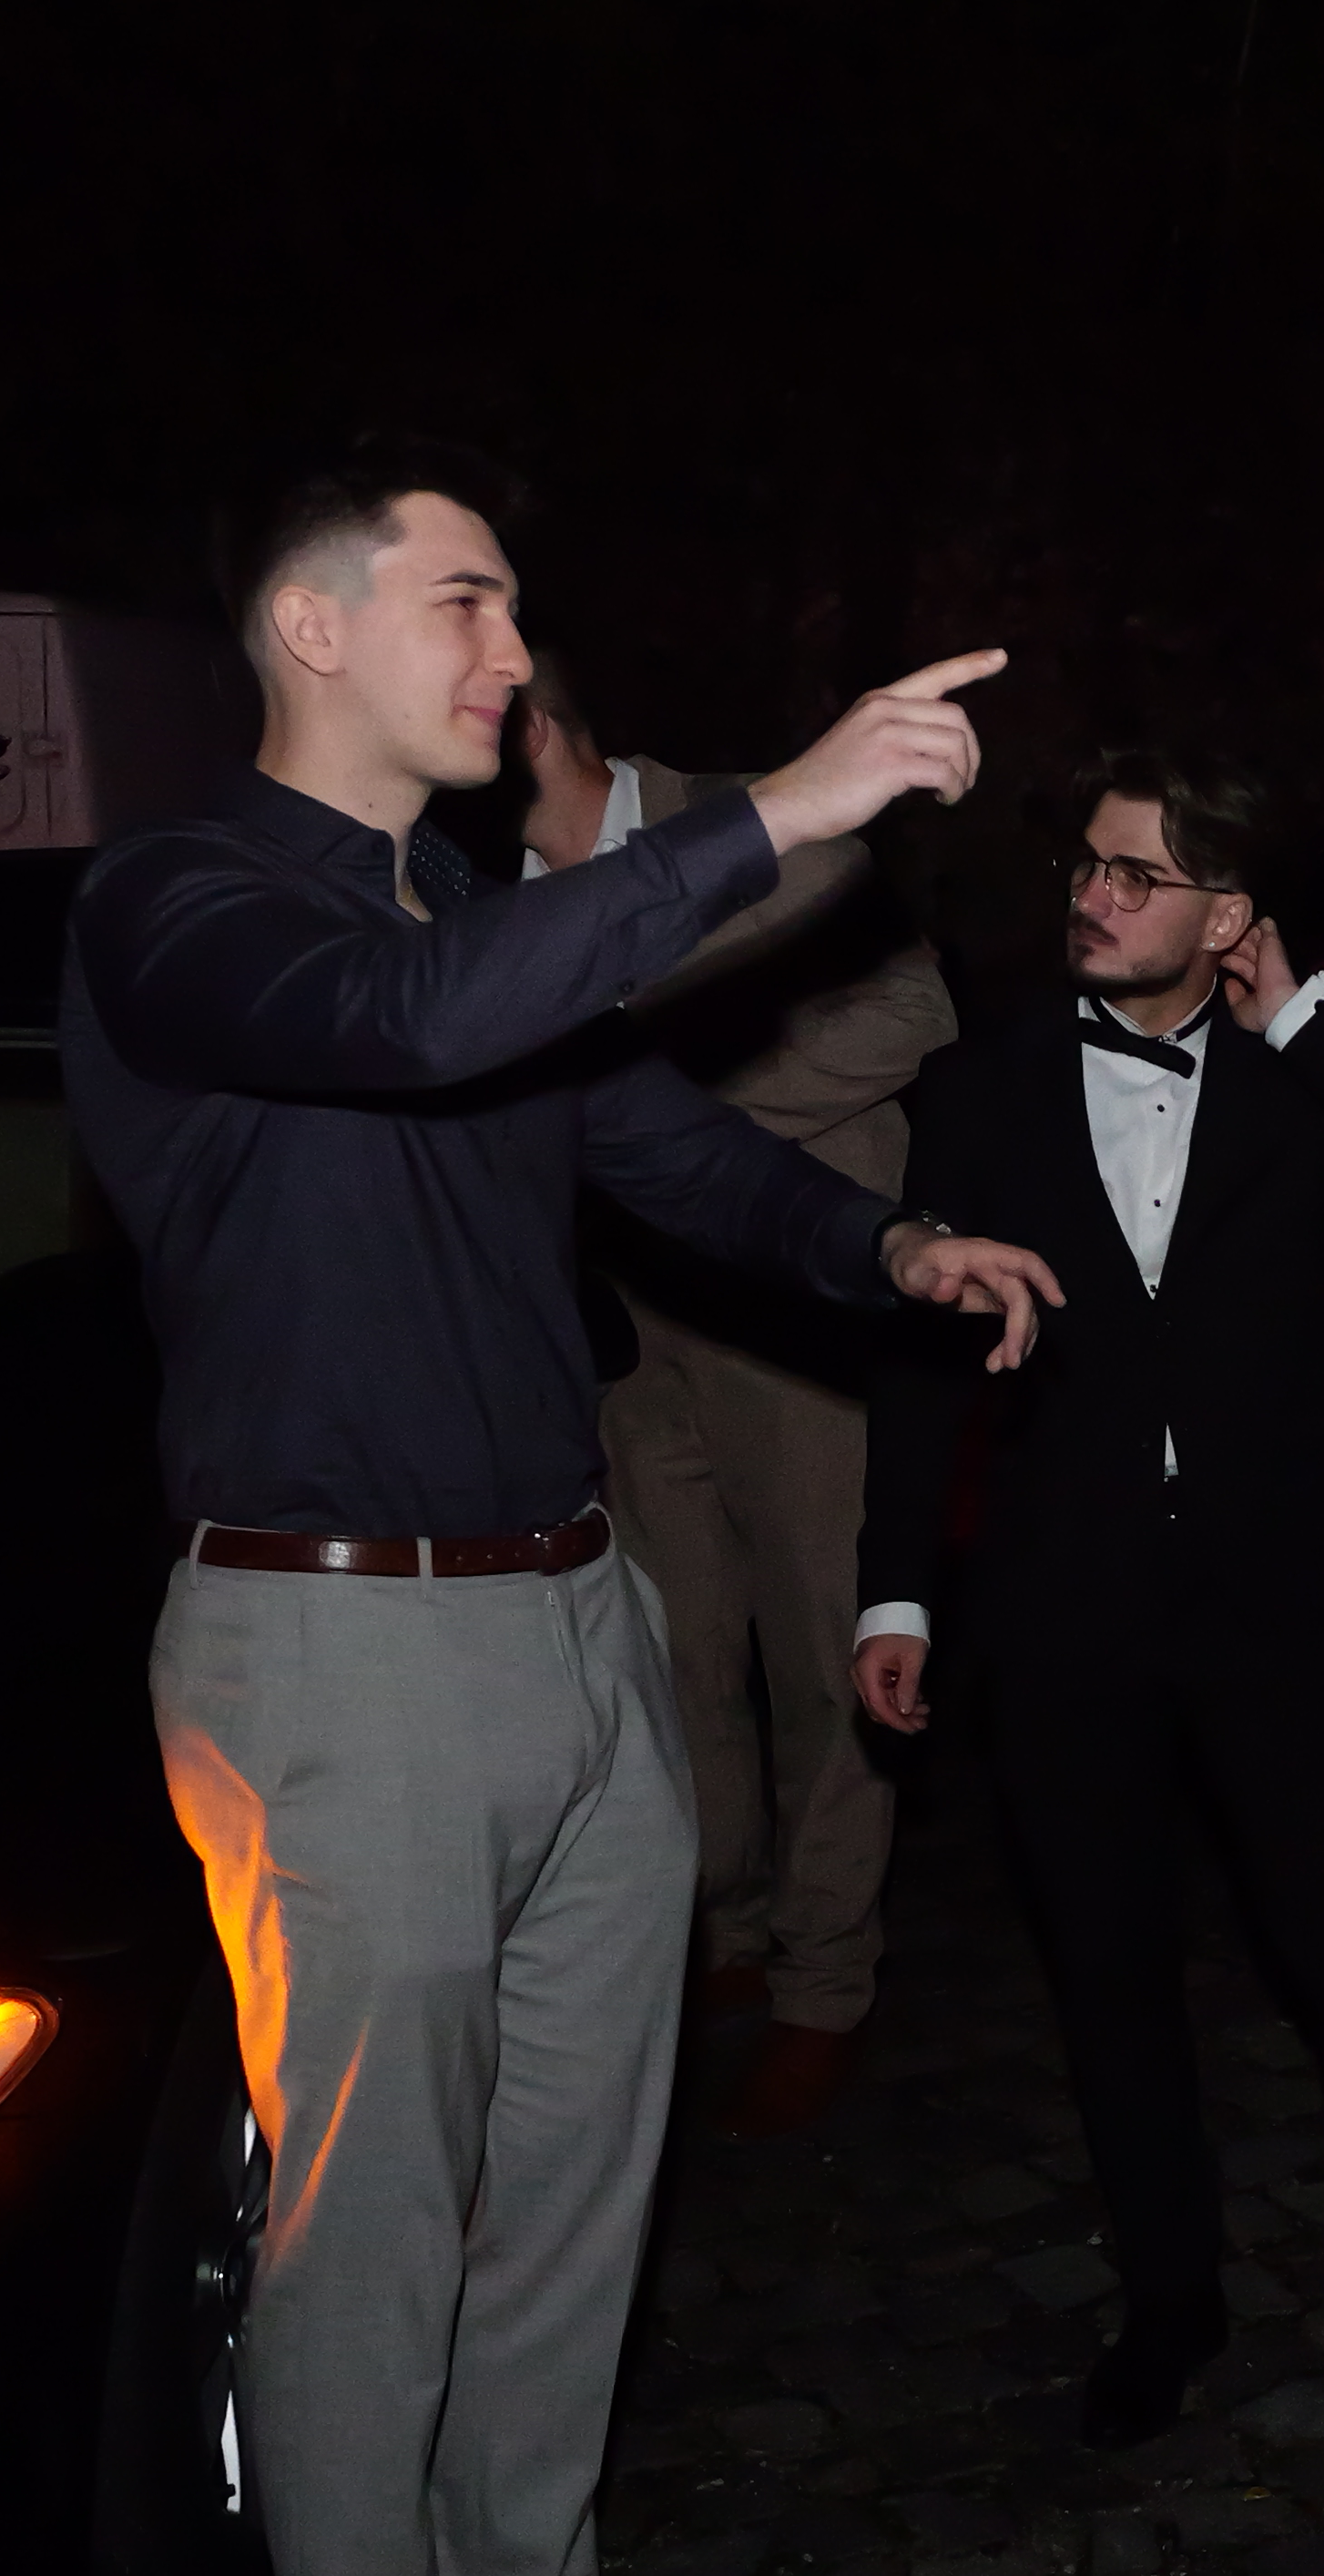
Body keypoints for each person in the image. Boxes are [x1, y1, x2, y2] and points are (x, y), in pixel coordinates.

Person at [65, 441, 1059, 2576]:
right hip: (336, 1642)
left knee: (574, 2192)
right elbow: (417, 1028)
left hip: (569, 1611)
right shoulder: (182, 905)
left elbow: (655, 1142)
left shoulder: (477, 917)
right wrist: (780, 810)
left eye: (515, 613)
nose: (513, 658)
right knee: (371, 2227)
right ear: (312, 629)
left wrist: (890, 1246)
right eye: (468, 605)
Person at [846, 747, 1324, 2445]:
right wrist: (896, 1597)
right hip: (1062, 1598)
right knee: (1108, 1967)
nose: (1093, 899)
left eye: (1138, 876)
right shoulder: (982, 1087)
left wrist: (1302, 1014)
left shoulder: (1300, 1075)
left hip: (1268, 1596)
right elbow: (920, 1368)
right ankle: (1168, 2301)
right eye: (1087, 867)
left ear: (1228, 916)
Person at [521, 649, 957, 2135]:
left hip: (803, 1312)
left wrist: (667, 1138)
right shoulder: (485, 894)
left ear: (535, 728)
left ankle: (825, 1983)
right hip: (634, 1323)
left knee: (827, 1648)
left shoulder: (762, 821)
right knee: (677, 1650)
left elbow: (912, 1016)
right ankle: (728, 1932)